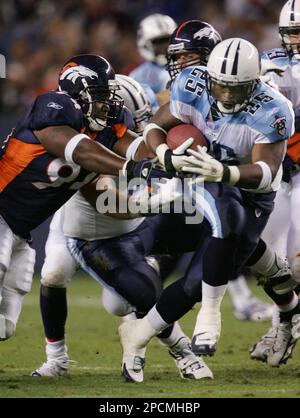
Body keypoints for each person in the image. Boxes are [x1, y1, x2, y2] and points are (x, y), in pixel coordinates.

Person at [118, 37, 300, 381]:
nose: (227, 95)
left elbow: (265, 175)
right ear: (209, 76)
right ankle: (211, 315)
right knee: (225, 214)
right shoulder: (192, 83)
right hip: (204, 183)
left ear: (254, 83)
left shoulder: (273, 108)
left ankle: (138, 333)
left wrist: (225, 171)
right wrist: (165, 155)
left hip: (252, 194)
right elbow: (156, 128)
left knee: (200, 277)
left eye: (237, 88)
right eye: (221, 85)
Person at [31, 74, 212, 382]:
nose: (139, 126)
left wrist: (177, 164)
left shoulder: (130, 134)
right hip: (85, 230)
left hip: (133, 227)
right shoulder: (85, 144)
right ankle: (57, 358)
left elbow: (153, 153)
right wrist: (152, 200)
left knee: (216, 231)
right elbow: (107, 202)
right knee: (54, 273)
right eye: (133, 119)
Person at [0, 54, 160, 343]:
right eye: (99, 95)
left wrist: (168, 159)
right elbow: (80, 150)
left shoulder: (102, 128)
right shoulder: (53, 106)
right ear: (75, 91)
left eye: (108, 95)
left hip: (20, 234)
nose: (107, 103)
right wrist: (130, 168)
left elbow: (137, 148)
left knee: (5, 327)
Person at [166, 19, 273, 322]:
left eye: (187, 55)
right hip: (187, 174)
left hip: (238, 178)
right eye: (177, 56)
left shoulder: (250, 90)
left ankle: (266, 301)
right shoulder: (186, 85)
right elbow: (157, 127)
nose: (180, 62)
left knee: (234, 239)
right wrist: (164, 152)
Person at [250, 0, 300, 363]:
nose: (296, 41)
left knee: (297, 264)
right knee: (265, 259)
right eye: (291, 33)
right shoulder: (268, 62)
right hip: (279, 175)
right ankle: (283, 320)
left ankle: (283, 325)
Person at [129, 14, 177, 98]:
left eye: (168, 40)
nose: (166, 46)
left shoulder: (186, 65)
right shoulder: (138, 76)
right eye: (159, 42)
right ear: (145, 45)